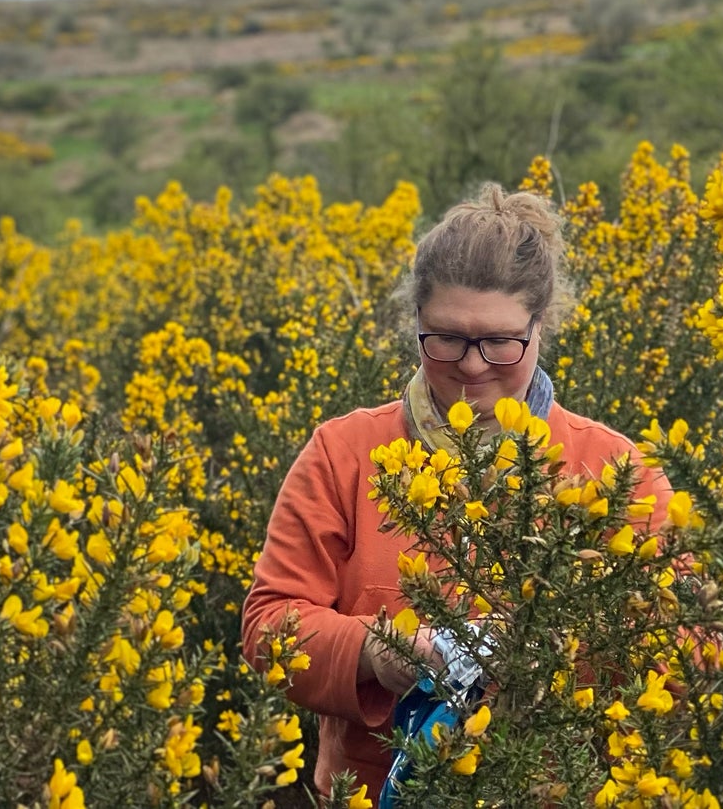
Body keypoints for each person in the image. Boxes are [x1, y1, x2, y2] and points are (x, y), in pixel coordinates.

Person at [240, 183, 673, 805]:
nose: (473, 365)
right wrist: (373, 652)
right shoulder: (344, 453)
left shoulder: (613, 466)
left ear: (540, 327)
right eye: (445, 338)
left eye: (500, 341)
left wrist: (560, 642)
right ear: (415, 325)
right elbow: (268, 625)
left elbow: (692, 644)